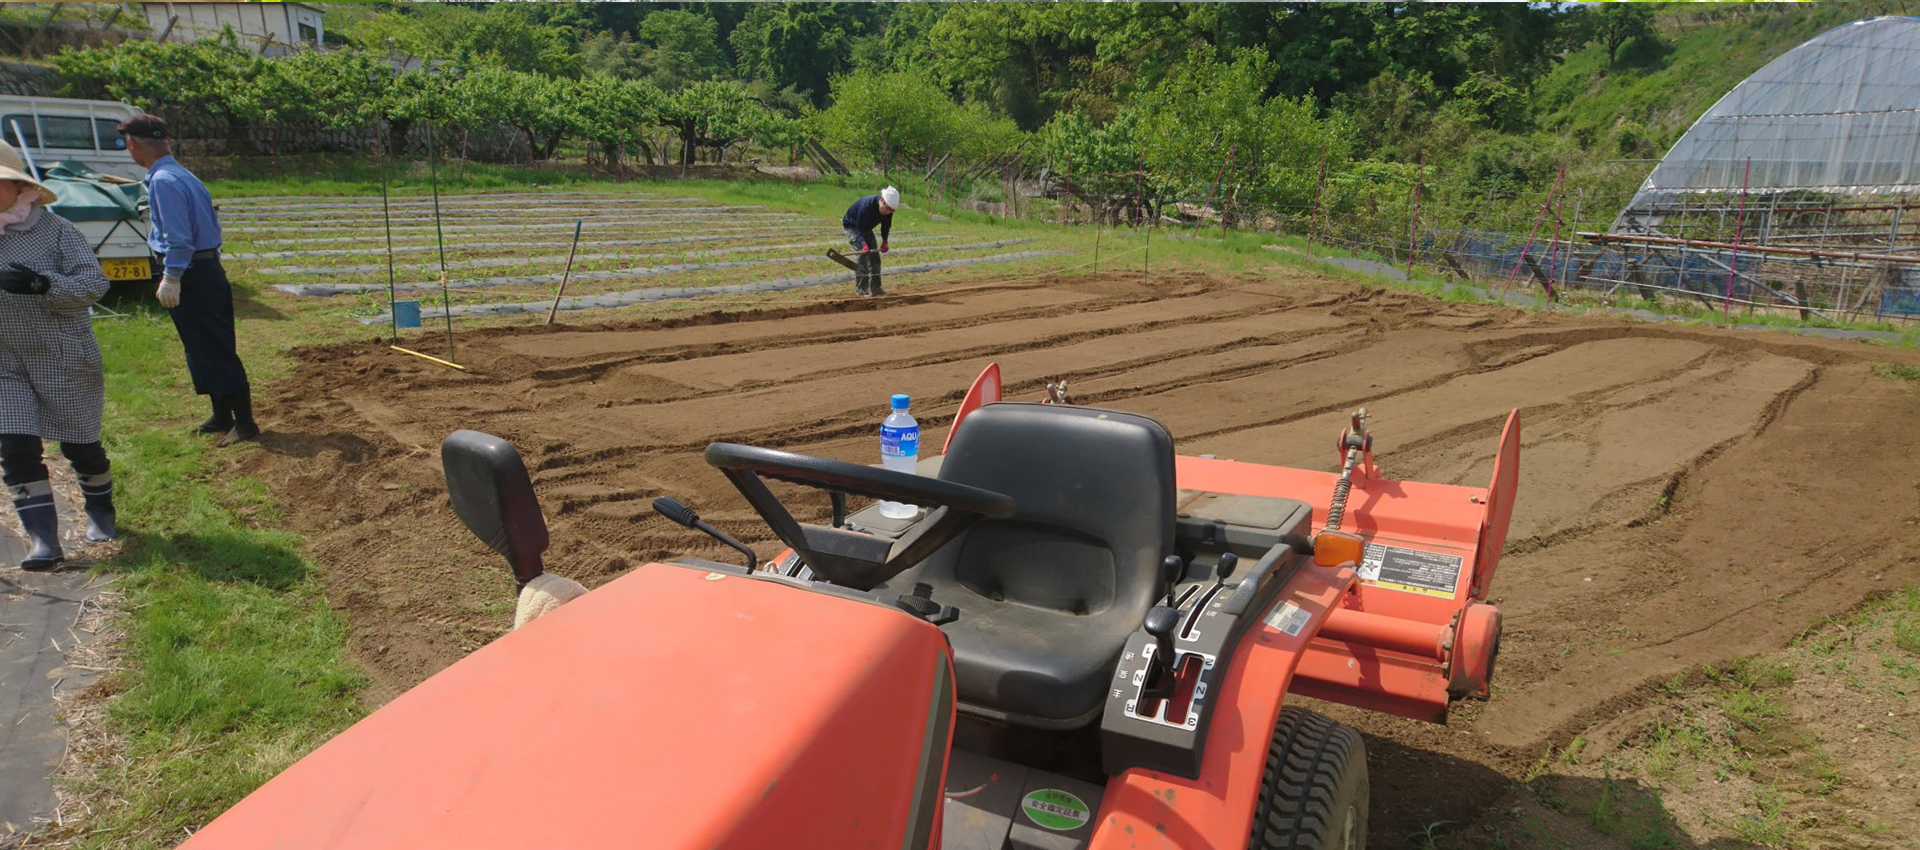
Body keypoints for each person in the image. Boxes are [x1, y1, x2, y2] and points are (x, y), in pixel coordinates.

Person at [0, 145, 114, 568]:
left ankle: (100, 510)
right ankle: (43, 540)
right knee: (15, 446)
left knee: (81, 445)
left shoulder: (57, 230)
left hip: (62, 356)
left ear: (18, 186)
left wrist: (42, 286)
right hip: (4, 362)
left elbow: (93, 284)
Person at [119, 114, 257, 447]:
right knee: (201, 347)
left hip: (194, 273)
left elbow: (178, 237)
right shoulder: (179, 174)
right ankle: (222, 415)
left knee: (214, 347)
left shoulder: (165, 181)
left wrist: (172, 275)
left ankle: (246, 422)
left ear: (133, 145)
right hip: (203, 270)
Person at [841, 186, 898, 297]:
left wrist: (885, 241)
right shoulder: (866, 206)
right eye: (886, 209)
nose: (887, 212)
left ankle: (876, 288)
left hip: (866, 228)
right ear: (881, 200)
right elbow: (858, 228)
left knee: (875, 257)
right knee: (862, 256)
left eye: (891, 210)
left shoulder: (888, 212)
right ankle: (862, 291)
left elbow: (885, 227)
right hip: (852, 226)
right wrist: (863, 244)